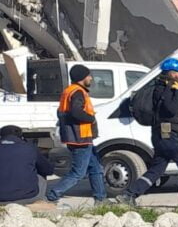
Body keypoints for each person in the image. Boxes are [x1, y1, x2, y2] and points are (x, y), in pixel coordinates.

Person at [125, 59, 178, 205]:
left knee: (156, 169)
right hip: (169, 135)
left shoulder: (159, 86)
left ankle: (129, 195)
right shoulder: (169, 88)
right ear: (172, 73)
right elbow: (171, 110)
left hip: (160, 134)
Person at [47, 64, 106, 205]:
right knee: (78, 173)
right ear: (82, 77)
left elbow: (61, 113)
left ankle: (100, 198)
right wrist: (91, 118)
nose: (91, 78)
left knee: (96, 168)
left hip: (78, 137)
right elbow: (76, 112)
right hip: (80, 138)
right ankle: (52, 196)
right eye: (89, 75)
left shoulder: (69, 91)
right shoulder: (78, 92)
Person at [0, 125, 53, 205]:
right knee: (41, 173)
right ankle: (40, 200)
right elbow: (48, 170)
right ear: (21, 136)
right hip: (27, 197)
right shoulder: (30, 148)